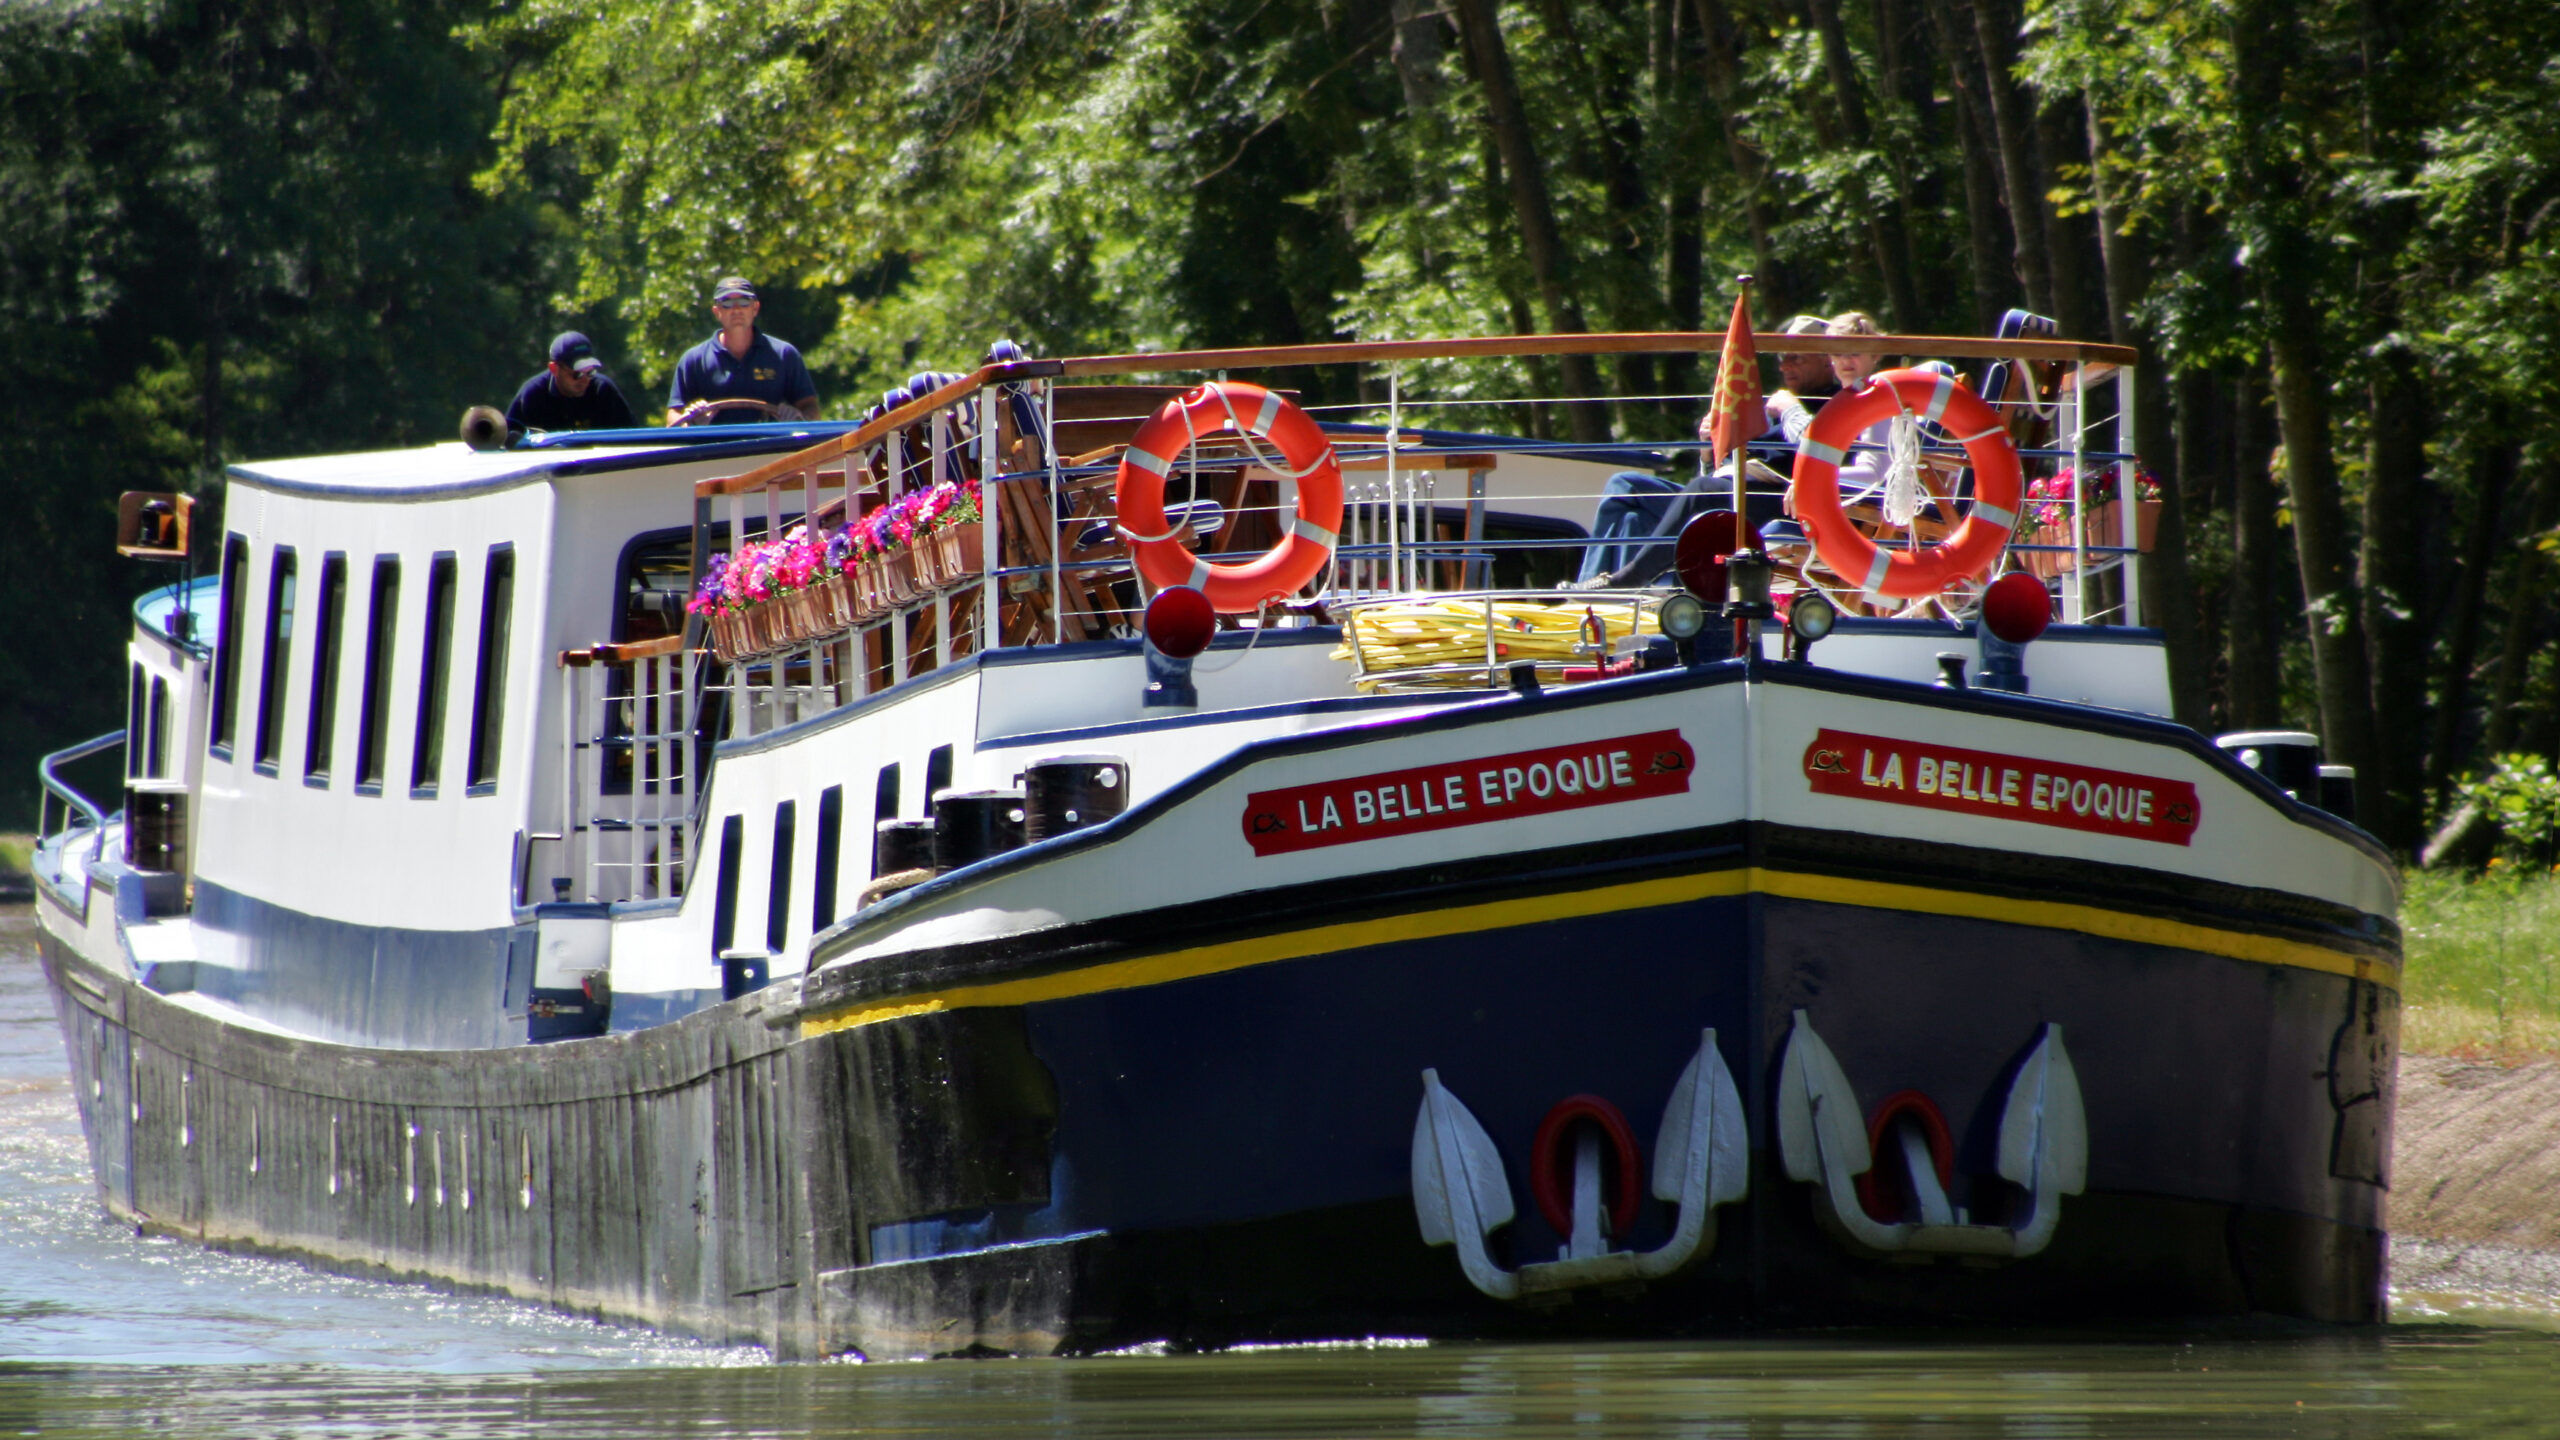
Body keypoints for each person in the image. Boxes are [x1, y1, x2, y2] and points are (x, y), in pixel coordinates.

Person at [667, 277, 821, 425]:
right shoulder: (694, 360)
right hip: (710, 450)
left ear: (755, 308)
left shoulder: (784, 354)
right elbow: (672, 419)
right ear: (716, 311)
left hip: (774, 447)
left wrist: (797, 418)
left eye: (744, 301)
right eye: (727, 303)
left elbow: (811, 407)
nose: (736, 309)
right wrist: (691, 421)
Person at [504, 331, 639, 433]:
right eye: (577, 374)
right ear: (554, 369)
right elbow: (508, 439)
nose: (585, 380)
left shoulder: (603, 390)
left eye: (590, 373)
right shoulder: (532, 394)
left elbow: (632, 437)